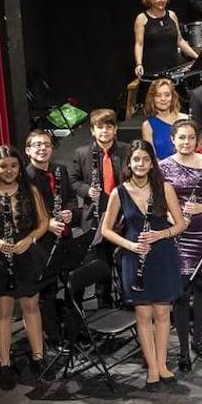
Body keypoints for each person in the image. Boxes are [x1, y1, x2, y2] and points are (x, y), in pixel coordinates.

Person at [99, 140, 187, 391]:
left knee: (162, 313)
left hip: (162, 255)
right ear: (129, 162)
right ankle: (151, 368)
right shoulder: (119, 192)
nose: (140, 164)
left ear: (152, 163)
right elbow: (106, 230)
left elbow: (180, 224)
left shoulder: (165, 189)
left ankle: (162, 365)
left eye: (145, 160)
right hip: (134, 256)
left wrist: (161, 234)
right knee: (143, 314)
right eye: (136, 159)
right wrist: (131, 246)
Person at [159, 119, 202, 373]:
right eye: (182, 137)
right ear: (173, 140)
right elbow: (157, 200)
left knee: (201, 291)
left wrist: (201, 207)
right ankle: (184, 350)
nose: (187, 142)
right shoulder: (162, 167)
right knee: (182, 294)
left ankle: (198, 340)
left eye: (191, 137)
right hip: (178, 235)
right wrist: (170, 217)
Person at [0, 146, 50, 390]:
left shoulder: (30, 189)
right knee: (3, 310)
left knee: (30, 305)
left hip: (26, 253)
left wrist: (29, 239)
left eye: (14, 166)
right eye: (3, 166)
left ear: (19, 166)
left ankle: (39, 357)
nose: (9, 170)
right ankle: (5, 363)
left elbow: (44, 222)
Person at [69, 109, 130, 307]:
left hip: (122, 215)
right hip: (95, 216)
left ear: (116, 129)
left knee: (124, 262)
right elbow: (73, 180)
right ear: (93, 131)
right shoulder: (82, 153)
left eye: (109, 126)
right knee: (100, 264)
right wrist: (87, 191)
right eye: (100, 127)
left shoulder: (126, 150)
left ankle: (127, 302)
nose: (105, 131)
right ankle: (105, 307)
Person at [23, 131, 76, 345]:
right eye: (37, 145)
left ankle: (72, 333)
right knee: (48, 293)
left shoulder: (60, 170)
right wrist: (46, 225)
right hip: (42, 245)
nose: (43, 148)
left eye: (46, 144)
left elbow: (71, 198)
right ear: (28, 151)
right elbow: (25, 216)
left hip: (65, 239)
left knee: (73, 286)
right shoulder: (25, 179)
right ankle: (53, 338)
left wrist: (69, 211)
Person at [133, 0, 198, 109]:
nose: (162, 0)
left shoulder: (172, 15)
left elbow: (180, 41)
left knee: (178, 104)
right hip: (153, 70)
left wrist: (197, 57)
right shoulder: (142, 18)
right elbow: (139, 44)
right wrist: (139, 64)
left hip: (173, 69)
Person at [140, 78, 188, 160]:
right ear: (152, 98)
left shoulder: (186, 119)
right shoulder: (148, 125)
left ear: (172, 97)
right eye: (158, 95)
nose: (163, 99)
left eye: (167, 95)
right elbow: (152, 158)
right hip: (162, 170)